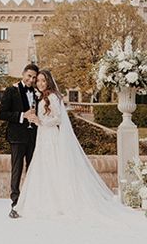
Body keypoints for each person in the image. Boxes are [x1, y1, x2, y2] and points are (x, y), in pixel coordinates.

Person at [15, 69, 118, 219]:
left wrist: (39, 121)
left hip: (50, 136)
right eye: (38, 81)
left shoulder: (52, 97)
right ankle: (43, 200)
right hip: (43, 135)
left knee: (52, 165)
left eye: (43, 81)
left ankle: (58, 202)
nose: (40, 83)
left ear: (49, 81)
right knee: (44, 167)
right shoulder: (43, 97)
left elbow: (58, 119)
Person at [0, 63, 40, 219]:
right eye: (29, 76)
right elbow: (2, 114)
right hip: (16, 137)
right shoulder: (11, 90)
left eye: (34, 77)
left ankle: (31, 201)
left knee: (32, 169)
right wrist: (23, 116)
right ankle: (15, 203)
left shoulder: (37, 93)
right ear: (23, 74)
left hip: (34, 136)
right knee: (17, 169)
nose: (31, 79)